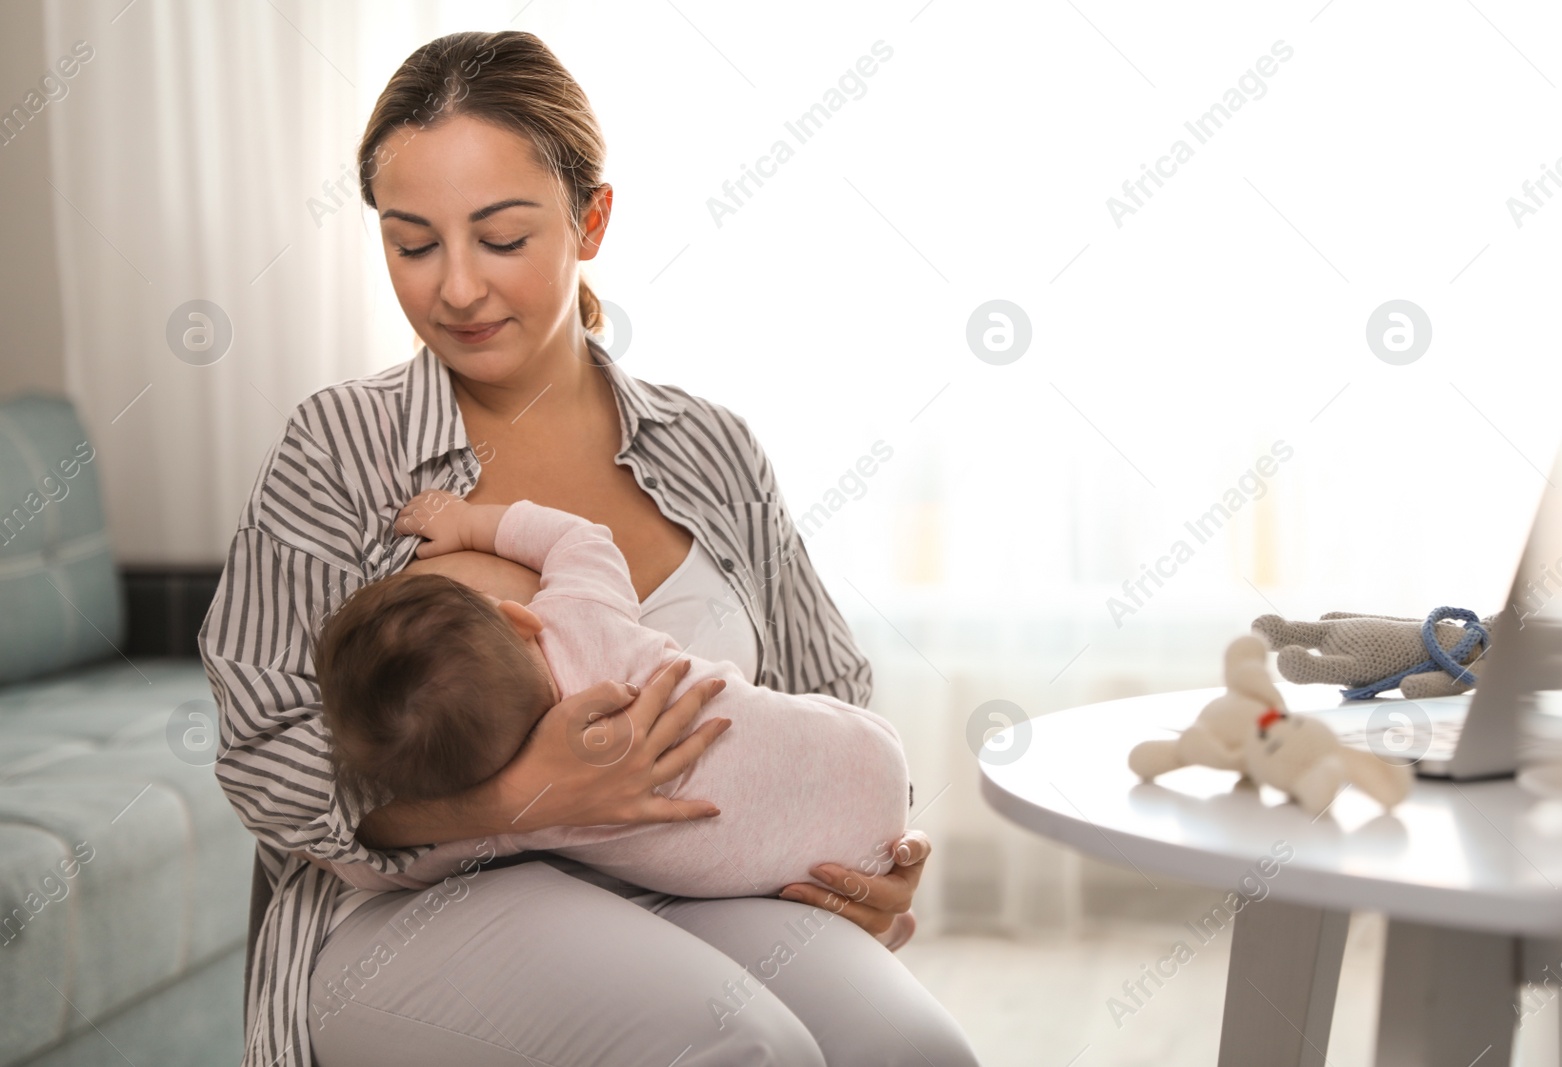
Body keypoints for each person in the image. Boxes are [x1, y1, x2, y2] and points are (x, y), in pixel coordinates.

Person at [199, 28, 979, 1067]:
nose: (457, 289)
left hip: (694, 884)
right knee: (741, 1047)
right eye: (414, 241)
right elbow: (264, 753)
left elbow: (822, 684)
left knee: (911, 1048)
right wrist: (520, 803)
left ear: (590, 219)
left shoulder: (709, 443)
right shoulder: (338, 445)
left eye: (501, 237)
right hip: (422, 911)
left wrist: (876, 854)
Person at [316, 494, 912, 898]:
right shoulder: (573, 617)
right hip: (873, 758)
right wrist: (475, 523)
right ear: (519, 620)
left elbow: (383, 871)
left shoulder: (524, 820)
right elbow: (579, 539)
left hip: (821, 874)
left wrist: (345, 852)